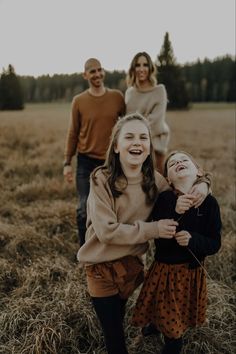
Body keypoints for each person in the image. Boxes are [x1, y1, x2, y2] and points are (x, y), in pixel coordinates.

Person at [77, 115, 210, 354]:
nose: (136, 142)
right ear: (116, 146)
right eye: (129, 137)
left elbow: (183, 181)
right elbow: (106, 231)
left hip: (131, 267)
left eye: (143, 137)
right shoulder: (101, 179)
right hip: (100, 267)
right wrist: (154, 229)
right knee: (115, 339)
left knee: (118, 317)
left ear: (149, 147)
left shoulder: (155, 181)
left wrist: (203, 183)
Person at [132, 150, 222, 354]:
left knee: (176, 315)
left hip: (191, 273)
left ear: (198, 171)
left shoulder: (210, 204)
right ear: (169, 179)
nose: (179, 162)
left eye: (184, 160)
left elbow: (215, 243)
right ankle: (156, 324)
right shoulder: (164, 200)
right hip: (165, 270)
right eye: (172, 163)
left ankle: (173, 344)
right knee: (160, 303)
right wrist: (176, 211)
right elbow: (158, 237)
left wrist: (194, 240)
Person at [63, 58, 125, 246]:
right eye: (92, 71)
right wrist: (67, 163)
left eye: (100, 70)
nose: (97, 74)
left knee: (114, 209)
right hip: (85, 162)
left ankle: (111, 250)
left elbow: (127, 127)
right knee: (84, 208)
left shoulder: (117, 97)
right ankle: (85, 252)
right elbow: (73, 132)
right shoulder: (79, 101)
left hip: (112, 162)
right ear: (85, 75)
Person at [125, 51, 170, 174]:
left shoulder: (159, 91)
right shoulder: (130, 93)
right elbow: (126, 121)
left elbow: (155, 123)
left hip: (154, 146)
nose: (141, 69)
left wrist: (134, 134)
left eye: (145, 65)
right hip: (131, 148)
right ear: (133, 69)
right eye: (137, 65)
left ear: (150, 68)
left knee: (154, 186)